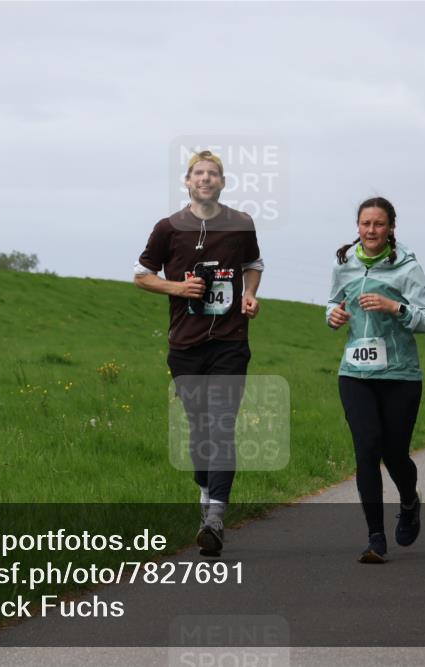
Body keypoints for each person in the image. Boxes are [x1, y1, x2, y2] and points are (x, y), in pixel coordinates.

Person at [134, 150, 263, 558]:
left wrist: (250, 294)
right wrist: (178, 288)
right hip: (185, 346)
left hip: (229, 343)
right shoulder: (168, 228)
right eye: (198, 174)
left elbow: (254, 263)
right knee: (200, 430)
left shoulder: (241, 224)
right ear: (187, 182)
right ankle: (206, 496)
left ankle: (215, 518)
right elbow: (142, 276)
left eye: (213, 174)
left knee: (222, 426)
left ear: (223, 183)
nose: (205, 179)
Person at [326, 196, 425, 564]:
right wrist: (334, 316)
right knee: (366, 449)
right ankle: (375, 538)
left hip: (400, 374)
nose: (371, 230)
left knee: (394, 454)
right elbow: (332, 303)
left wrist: (396, 308)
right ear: (357, 227)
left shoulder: (407, 267)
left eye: (378, 224)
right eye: (365, 224)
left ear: (391, 227)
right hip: (355, 373)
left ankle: (409, 502)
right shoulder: (343, 262)